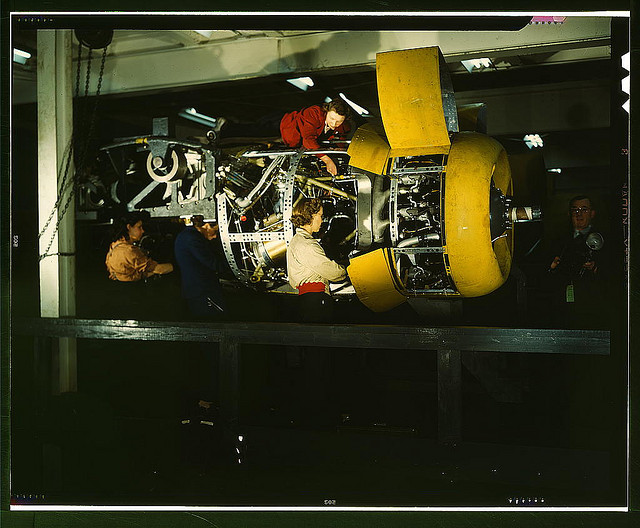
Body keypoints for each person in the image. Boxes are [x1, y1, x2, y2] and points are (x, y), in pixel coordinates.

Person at [215, 98, 351, 176]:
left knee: (254, 135)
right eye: (332, 119)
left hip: (290, 139)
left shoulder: (341, 125)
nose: (334, 124)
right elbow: (309, 141)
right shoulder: (313, 114)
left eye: (339, 121)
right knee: (254, 131)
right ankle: (226, 127)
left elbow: (339, 143)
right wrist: (327, 160)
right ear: (326, 111)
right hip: (282, 125)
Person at [546, 195, 608, 328]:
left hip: (591, 308)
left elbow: (613, 273)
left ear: (592, 213)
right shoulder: (557, 239)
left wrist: (595, 268)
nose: (579, 214)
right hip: (562, 309)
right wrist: (552, 267)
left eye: (584, 209)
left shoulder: (604, 240)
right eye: (575, 210)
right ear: (569, 213)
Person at [287, 197, 347, 323]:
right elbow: (331, 271)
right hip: (315, 300)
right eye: (320, 215)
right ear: (311, 216)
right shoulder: (306, 244)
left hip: (310, 299)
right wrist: (348, 270)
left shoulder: (299, 241)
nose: (322, 220)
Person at [105, 211, 173, 317]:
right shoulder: (128, 250)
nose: (143, 230)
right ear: (129, 227)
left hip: (120, 291)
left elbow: (135, 273)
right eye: (139, 227)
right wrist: (179, 265)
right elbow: (159, 269)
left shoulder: (115, 245)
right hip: (130, 295)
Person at [174, 215, 228, 320]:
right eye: (215, 231)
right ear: (206, 225)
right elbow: (212, 263)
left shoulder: (187, 235)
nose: (215, 236)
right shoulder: (192, 238)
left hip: (197, 291)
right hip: (203, 292)